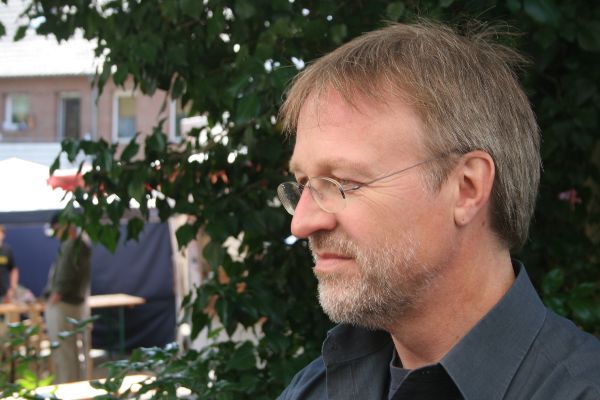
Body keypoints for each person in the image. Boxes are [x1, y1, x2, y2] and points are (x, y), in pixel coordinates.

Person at [275, 21, 600, 399]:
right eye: (303, 184)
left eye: (343, 181)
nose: (302, 223)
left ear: (467, 189)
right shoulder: (313, 389)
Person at [44, 213, 91, 383]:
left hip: (64, 305)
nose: (56, 235)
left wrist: (52, 301)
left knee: (64, 353)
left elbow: (64, 277)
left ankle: (67, 389)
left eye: (56, 229)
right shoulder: (80, 242)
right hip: (72, 303)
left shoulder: (73, 244)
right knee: (70, 353)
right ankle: (73, 386)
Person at [0, 225, 18, 303]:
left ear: (3, 235)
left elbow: (14, 270)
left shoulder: (7, 250)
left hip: (5, 292)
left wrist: (12, 288)